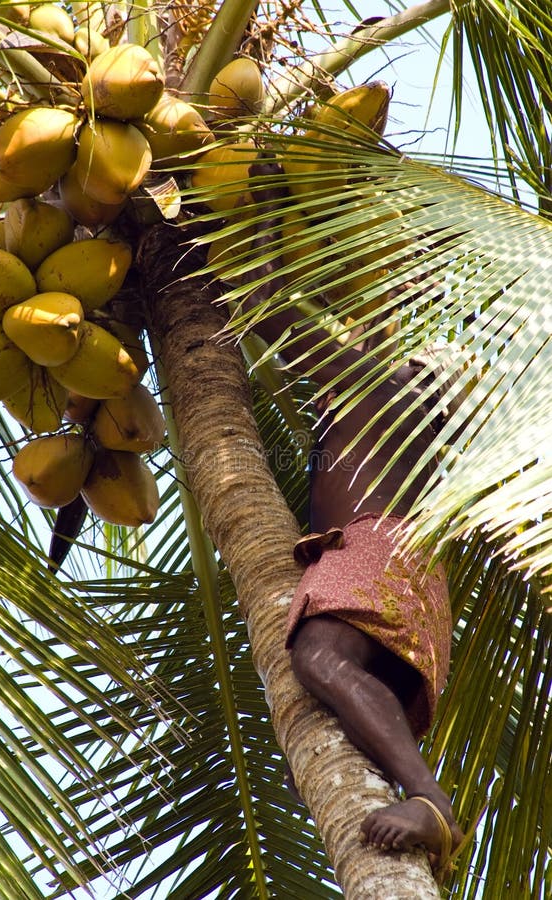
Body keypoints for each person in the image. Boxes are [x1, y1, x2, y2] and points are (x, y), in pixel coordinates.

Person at [237, 163, 464, 879]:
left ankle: (430, 801)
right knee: (338, 675)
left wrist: (267, 205)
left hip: (374, 552)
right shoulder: (417, 428)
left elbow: (268, 304)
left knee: (320, 661)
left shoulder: (383, 384)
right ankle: (421, 792)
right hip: (402, 571)